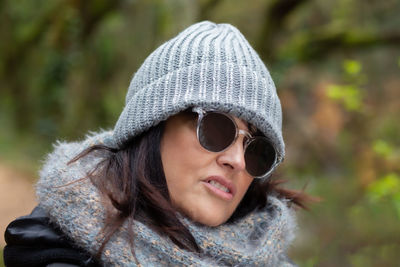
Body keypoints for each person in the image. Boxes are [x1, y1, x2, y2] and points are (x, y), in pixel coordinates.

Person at [4, 21, 310, 266]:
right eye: (217, 129)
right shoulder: (53, 252)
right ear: (152, 124)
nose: (237, 161)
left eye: (257, 150)